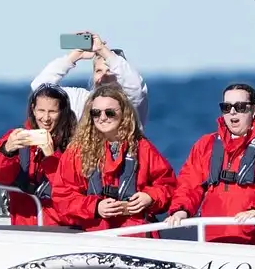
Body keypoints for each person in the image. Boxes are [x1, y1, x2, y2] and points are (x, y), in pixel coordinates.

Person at [166, 83, 255, 246]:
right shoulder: (205, 145)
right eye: (226, 107)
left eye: (240, 106)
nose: (233, 112)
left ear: (254, 110)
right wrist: (181, 210)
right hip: (214, 243)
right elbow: (188, 184)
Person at [51, 80, 176, 233]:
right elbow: (62, 197)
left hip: (137, 234)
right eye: (96, 113)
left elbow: (168, 185)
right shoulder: (76, 152)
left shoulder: (143, 148)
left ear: (123, 113)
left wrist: (150, 197)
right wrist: (95, 207)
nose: (102, 117)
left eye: (109, 112)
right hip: (95, 235)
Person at [0, 84, 75, 226]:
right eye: (41, 111)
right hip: (23, 227)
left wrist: (51, 157)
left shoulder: (72, 145)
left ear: (62, 112)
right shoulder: (18, 137)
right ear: (33, 109)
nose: (46, 118)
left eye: (52, 111)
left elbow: (69, 191)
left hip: (59, 228)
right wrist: (7, 150)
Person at [30, 31, 150, 126]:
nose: (104, 76)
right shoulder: (81, 100)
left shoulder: (131, 104)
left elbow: (135, 86)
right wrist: (73, 57)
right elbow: (40, 89)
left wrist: (102, 50)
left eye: (110, 71)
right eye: (98, 71)